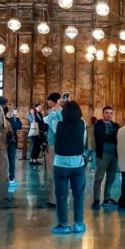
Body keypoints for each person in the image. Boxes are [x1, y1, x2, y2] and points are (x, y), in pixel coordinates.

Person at [51, 100, 87, 234]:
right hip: (77, 163)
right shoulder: (82, 124)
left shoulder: (58, 124)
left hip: (60, 163)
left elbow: (51, 116)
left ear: (64, 113)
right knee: (78, 195)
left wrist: (58, 105)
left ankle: (63, 225)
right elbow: (83, 141)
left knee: (61, 195)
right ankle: (78, 224)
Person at [92, 106, 120, 209]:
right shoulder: (98, 124)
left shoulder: (116, 125)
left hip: (114, 155)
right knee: (99, 177)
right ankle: (96, 199)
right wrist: (112, 136)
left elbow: (118, 137)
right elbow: (100, 136)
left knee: (111, 177)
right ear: (103, 114)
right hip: (103, 154)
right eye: (107, 112)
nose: (109, 114)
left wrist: (109, 137)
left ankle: (107, 197)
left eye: (110, 113)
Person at [43, 92, 65, 208]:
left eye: (49, 101)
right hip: (63, 146)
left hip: (53, 145)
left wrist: (56, 106)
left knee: (52, 172)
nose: (48, 103)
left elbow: (52, 125)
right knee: (62, 172)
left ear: (52, 101)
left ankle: (53, 200)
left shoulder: (54, 112)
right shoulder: (65, 111)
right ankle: (62, 198)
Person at [5, 106, 22, 189]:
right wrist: (15, 119)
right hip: (9, 142)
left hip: (9, 142)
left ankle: (9, 178)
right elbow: (17, 126)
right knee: (10, 161)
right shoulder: (9, 120)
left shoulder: (12, 120)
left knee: (9, 161)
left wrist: (15, 119)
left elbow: (19, 126)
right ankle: (10, 179)